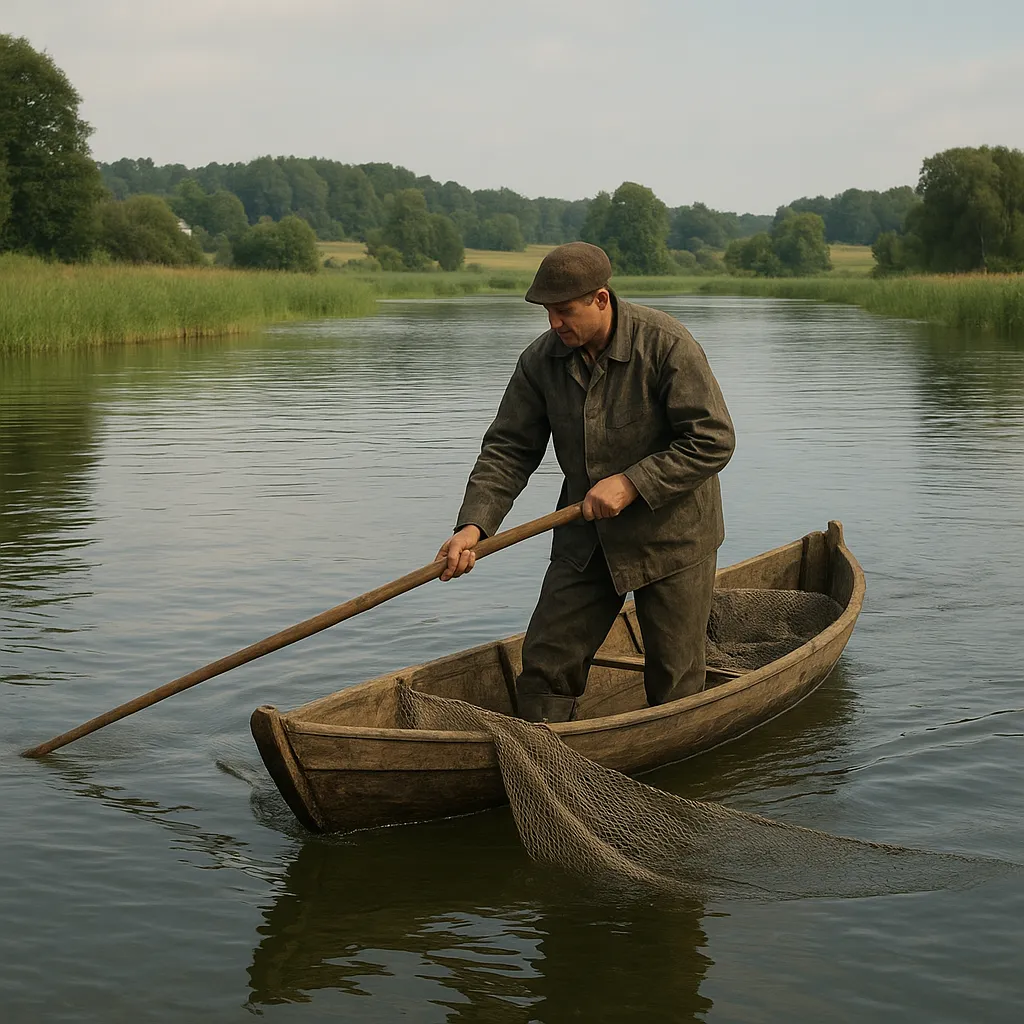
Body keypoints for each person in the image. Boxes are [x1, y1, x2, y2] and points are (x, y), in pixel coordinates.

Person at [436, 242, 735, 723]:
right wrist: (473, 526)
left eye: (564, 311)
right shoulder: (540, 362)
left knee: (674, 680)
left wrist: (633, 483)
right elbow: (509, 449)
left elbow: (713, 440)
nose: (554, 323)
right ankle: (545, 761)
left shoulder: (666, 344)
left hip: (673, 537)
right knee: (545, 663)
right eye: (548, 312)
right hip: (587, 536)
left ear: (600, 299)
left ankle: (666, 772)